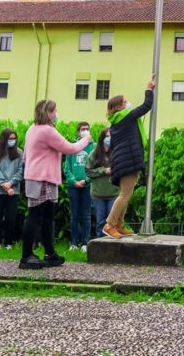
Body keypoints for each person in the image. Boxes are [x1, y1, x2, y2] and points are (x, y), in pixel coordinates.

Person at [20, 99, 91, 269]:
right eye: (54, 111)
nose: (56, 114)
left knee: (46, 217)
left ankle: (50, 253)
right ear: (48, 113)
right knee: (36, 216)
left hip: (38, 177)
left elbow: (26, 155)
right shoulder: (46, 131)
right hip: (42, 178)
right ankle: (26, 256)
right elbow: (70, 148)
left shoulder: (32, 129)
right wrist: (86, 139)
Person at [103, 78, 156, 239]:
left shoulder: (116, 122)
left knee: (126, 194)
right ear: (118, 107)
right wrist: (149, 89)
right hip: (128, 161)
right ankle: (110, 224)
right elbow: (146, 106)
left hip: (122, 161)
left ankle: (118, 224)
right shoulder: (125, 116)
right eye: (124, 101)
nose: (127, 103)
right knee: (125, 195)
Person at [0, 128, 24, 250]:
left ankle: (8, 243)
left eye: (14, 138)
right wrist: (4, 184)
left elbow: (21, 171)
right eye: (10, 138)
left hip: (13, 190)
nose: (12, 141)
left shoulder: (19, 153)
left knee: (11, 217)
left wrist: (11, 183)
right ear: (4, 139)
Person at [63, 121, 95, 251]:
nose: (85, 131)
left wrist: (86, 180)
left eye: (87, 129)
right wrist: (74, 181)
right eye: (83, 129)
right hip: (73, 186)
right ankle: (74, 243)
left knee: (86, 215)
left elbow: (95, 167)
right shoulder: (72, 147)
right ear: (78, 132)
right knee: (74, 215)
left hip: (87, 186)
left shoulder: (94, 147)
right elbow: (66, 168)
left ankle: (85, 243)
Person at [85, 127, 118, 239]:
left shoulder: (116, 153)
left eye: (111, 136)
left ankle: (112, 247)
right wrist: (103, 170)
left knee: (112, 224)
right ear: (102, 138)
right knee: (100, 222)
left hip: (113, 193)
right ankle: (99, 246)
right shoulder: (94, 154)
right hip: (98, 194)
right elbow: (88, 171)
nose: (109, 138)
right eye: (107, 136)